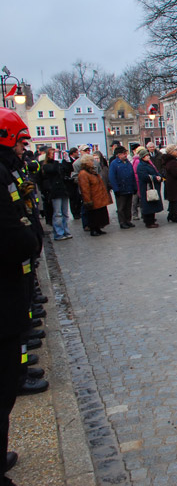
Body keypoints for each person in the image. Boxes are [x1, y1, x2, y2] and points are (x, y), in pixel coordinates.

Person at [0, 108, 42, 486]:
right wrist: (28, 240)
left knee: (20, 335)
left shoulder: (11, 170)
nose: (22, 149)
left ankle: (23, 372)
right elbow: (11, 229)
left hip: (15, 281)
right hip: (7, 282)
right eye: (18, 142)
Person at [41, 148, 72, 240]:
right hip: (55, 191)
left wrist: (67, 160)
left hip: (63, 190)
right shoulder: (46, 166)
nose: (54, 155)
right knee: (58, 213)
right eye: (53, 153)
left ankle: (66, 231)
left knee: (65, 213)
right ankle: (59, 233)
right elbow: (53, 170)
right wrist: (56, 160)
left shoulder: (57, 164)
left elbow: (67, 170)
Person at [77, 154, 113, 236]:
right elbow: (85, 188)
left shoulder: (91, 171)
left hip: (98, 196)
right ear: (86, 162)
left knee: (99, 214)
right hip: (93, 197)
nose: (93, 162)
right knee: (93, 215)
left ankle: (98, 228)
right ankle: (93, 229)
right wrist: (88, 200)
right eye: (91, 160)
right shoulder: (83, 173)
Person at [108, 146, 138, 229]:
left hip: (129, 188)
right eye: (123, 153)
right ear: (119, 155)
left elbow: (132, 175)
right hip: (121, 189)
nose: (125, 155)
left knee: (128, 206)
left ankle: (128, 220)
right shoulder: (114, 164)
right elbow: (112, 177)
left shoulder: (127, 162)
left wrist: (134, 187)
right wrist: (116, 189)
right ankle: (122, 222)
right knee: (121, 207)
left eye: (126, 153)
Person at [135, 148, 163, 228]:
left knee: (152, 204)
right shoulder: (141, 166)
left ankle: (152, 220)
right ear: (142, 157)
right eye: (146, 156)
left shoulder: (149, 164)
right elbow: (144, 176)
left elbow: (156, 171)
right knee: (148, 205)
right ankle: (149, 222)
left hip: (152, 187)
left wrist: (159, 176)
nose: (148, 157)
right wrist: (155, 177)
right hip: (147, 188)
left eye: (148, 155)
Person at [64, 147, 82, 219]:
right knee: (73, 198)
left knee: (78, 198)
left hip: (78, 181)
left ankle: (79, 211)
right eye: (77, 152)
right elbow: (66, 170)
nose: (78, 153)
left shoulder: (78, 159)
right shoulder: (67, 160)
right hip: (71, 182)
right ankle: (75, 213)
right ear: (73, 153)